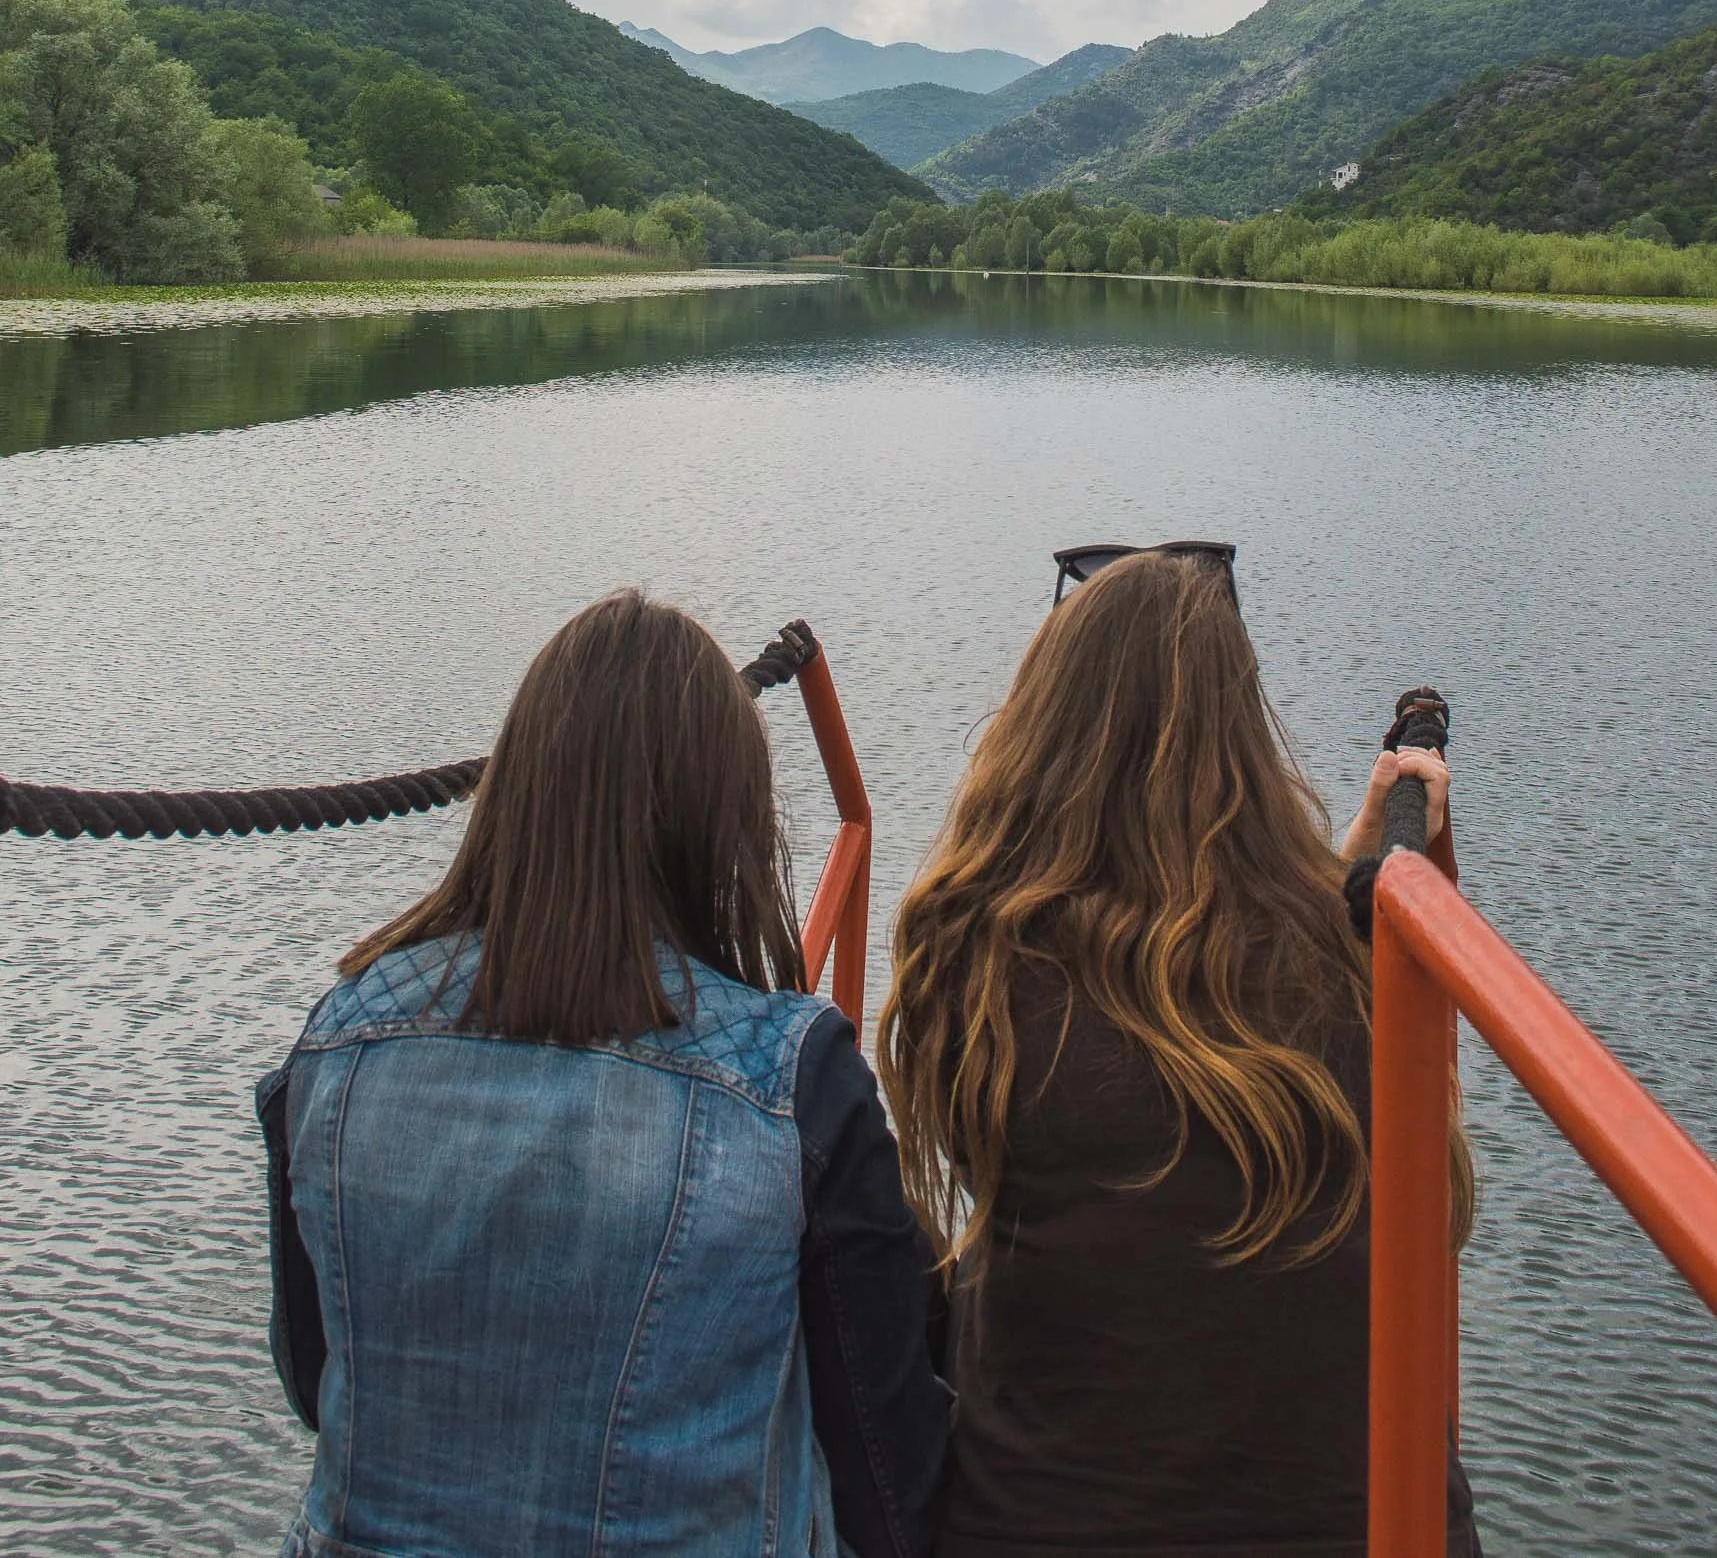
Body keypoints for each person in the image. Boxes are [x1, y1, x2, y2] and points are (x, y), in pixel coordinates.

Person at [257, 589, 949, 1558]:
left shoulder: (334, 1043)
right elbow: (887, 1466)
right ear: (723, 820)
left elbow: (315, 1374)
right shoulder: (794, 1078)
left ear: (517, 788)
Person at [878, 548, 1481, 1558]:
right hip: (1375, 1524)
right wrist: (1347, 890)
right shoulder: (1351, 966)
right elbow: (1426, 1197)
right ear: (1243, 733)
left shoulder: (974, 957)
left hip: (1042, 1520)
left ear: (1043, 732)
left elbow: (1128, 1070)